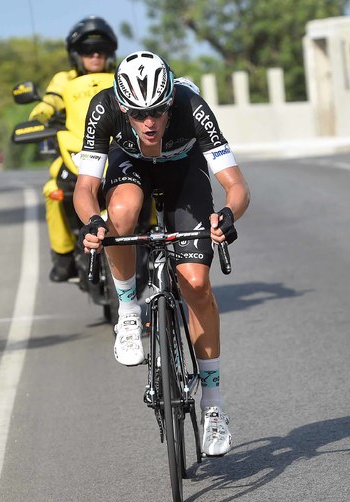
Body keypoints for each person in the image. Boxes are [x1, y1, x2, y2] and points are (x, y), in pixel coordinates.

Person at [74, 51, 250, 457]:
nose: (149, 122)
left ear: (170, 100)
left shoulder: (192, 106)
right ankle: (129, 312)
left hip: (183, 174)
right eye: (138, 114)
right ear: (122, 107)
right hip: (130, 168)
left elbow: (237, 186)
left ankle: (213, 405)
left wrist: (227, 214)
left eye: (156, 111)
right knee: (120, 214)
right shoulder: (103, 108)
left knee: (196, 283)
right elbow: (85, 189)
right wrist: (91, 222)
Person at [28, 15, 118, 282]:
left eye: (100, 50)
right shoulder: (63, 80)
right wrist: (38, 117)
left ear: (109, 53)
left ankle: (149, 232)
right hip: (76, 153)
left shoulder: (120, 76)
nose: (94, 55)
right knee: (51, 190)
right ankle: (63, 256)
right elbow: (49, 102)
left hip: (118, 149)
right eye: (87, 50)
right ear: (76, 55)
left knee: (151, 175)